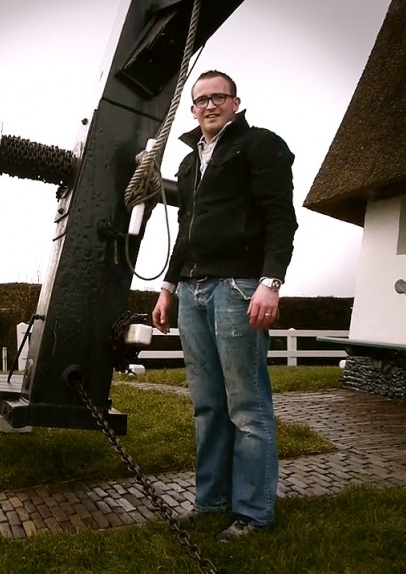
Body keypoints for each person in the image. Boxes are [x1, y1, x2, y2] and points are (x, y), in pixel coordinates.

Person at [151, 70, 297, 541]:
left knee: (247, 406)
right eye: (201, 100)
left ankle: (254, 513)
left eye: (218, 97)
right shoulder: (191, 162)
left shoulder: (260, 146)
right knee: (208, 405)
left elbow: (281, 218)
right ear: (192, 109)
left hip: (238, 287)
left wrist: (270, 282)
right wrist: (168, 287)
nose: (209, 105)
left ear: (236, 102)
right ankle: (212, 501)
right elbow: (187, 228)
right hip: (192, 292)